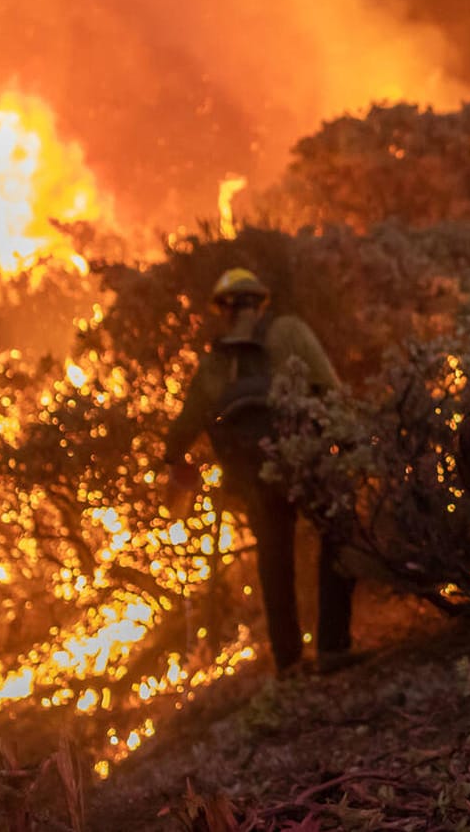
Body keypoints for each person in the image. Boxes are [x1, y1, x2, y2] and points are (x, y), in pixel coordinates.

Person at [163, 267, 357, 677]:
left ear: (224, 310)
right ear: (259, 301)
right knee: (339, 532)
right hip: (304, 458)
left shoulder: (215, 365)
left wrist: (177, 463)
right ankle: (333, 648)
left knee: (274, 560)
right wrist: (351, 445)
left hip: (255, 477)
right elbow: (331, 390)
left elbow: (183, 429)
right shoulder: (289, 331)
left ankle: (289, 662)